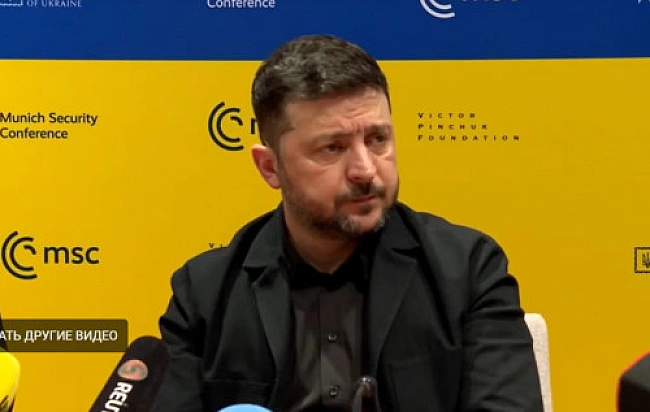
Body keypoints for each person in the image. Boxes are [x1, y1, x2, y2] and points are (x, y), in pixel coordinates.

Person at [152, 34, 543, 412]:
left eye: (377, 139)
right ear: (270, 167)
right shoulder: (203, 294)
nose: (365, 169)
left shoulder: (468, 270)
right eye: (332, 148)